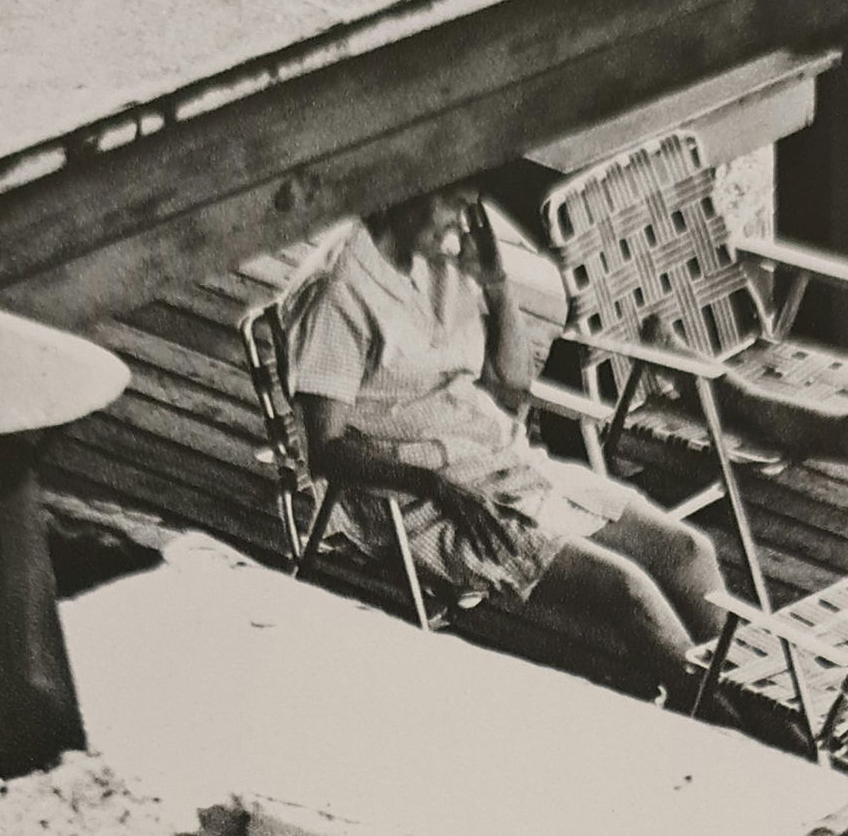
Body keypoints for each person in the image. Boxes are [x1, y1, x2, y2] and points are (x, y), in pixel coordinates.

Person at [278, 185, 740, 716]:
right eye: (451, 201)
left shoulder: (439, 260)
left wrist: (496, 286)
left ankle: (757, 706)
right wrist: (435, 486)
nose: (462, 220)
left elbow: (512, 386)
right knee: (628, 591)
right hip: (414, 496)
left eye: (470, 201)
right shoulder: (340, 291)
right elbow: (326, 451)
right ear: (403, 186)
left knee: (687, 552)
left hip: (497, 460)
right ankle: (734, 732)